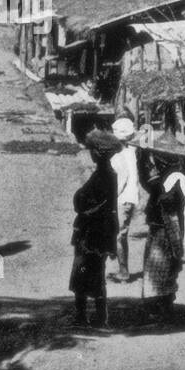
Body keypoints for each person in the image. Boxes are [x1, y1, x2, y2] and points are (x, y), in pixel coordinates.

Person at [69, 129, 122, 328]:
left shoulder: (102, 176)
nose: (89, 153)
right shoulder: (108, 174)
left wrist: (82, 204)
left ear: (97, 153)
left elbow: (83, 203)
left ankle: (84, 315)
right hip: (102, 232)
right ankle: (99, 315)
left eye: (92, 150)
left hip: (92, 233)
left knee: (82, 271)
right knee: (96, 273)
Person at [140, 146, 185, 319]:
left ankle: (162, 307)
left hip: (166, 228)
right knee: (161, 268)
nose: (155, 162)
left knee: (162, 267)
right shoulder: (167, 175)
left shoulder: (176, 177)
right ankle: (162, 305)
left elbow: (167, 200)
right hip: (161, 226)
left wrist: (156, 187)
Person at [109, 116, 141, 281]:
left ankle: (123, 271)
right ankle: (121, 266)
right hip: (130, 198)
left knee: (119, 235)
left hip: (122, 198)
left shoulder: (120, 155)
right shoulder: (131, 152)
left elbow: (121, 180)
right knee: (120, 233)